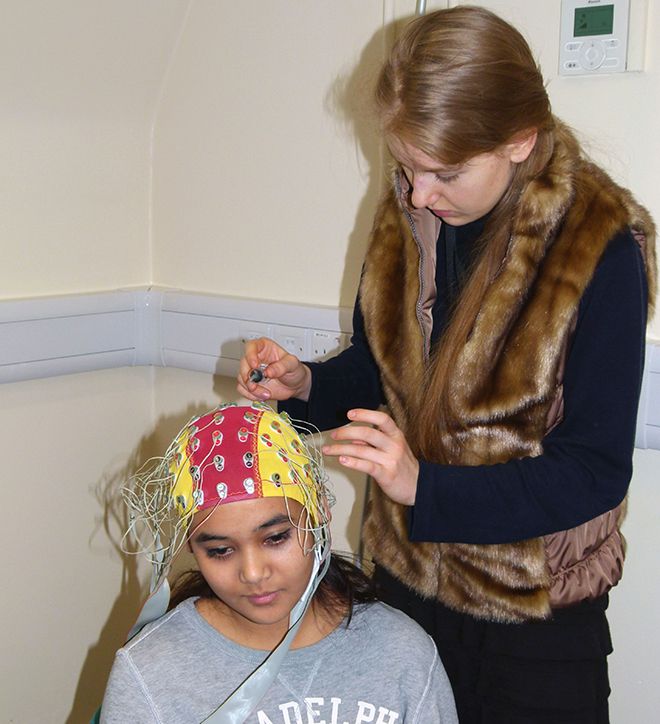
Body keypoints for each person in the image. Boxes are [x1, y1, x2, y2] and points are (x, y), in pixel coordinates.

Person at [237, 6, 656, 723]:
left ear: (520, 140)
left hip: (535, 624)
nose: (419, 195)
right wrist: (305, 386)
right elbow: (380, 379)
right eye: (406, 167)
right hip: (404, 600)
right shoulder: (410, 221)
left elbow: (592, 471)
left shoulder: (601, 249)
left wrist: (422, 485)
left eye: (445, 173)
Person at [99, 402, 458, 723]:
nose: (253, 573)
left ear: (318, 513)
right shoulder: (151, 671)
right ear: (191, 546)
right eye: (221, 551)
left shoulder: (402, 653)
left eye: (275, 538)